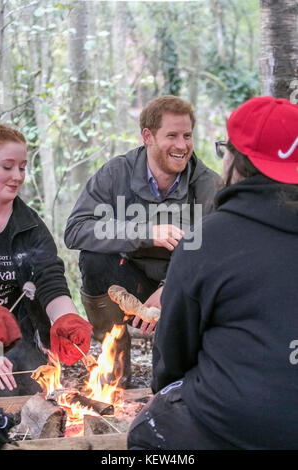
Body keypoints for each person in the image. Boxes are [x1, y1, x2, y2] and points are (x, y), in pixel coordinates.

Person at [127, 96, 298, 450]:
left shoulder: (207, 239)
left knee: (147, 428)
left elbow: (172, 359)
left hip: (238, 422)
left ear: (236, 161)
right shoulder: (119, 172)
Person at [64, 95, 222, 385]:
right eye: (172, 135)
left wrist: (170, 288)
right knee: (95, 257)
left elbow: (218, 256)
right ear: (147, 136)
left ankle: (173, 373)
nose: (182, 145)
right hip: (128, 278)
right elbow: (76, 230)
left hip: (180, 285)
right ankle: (114, 359)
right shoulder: (116, 173)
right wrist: (145, 232)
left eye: (187, 136)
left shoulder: (208, 185)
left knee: (166, 380)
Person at [0, 124, 92, 397]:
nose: (18, 176)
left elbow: (49, 278)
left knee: (32, 393)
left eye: (23, 167)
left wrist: (66, 318)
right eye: (7, 167)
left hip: (17, 336)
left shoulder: (30, 225)